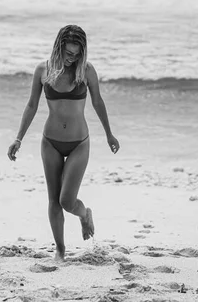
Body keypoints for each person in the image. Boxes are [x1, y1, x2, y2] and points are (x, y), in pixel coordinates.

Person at [7, 24, 120, 262]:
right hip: (51, 143)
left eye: (77, 53)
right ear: (59, 47)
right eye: (69, 53)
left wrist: (109, 134)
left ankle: (84, 214)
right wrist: (18, 139)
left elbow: (98, 102)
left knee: (67, 201)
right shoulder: (43, 70)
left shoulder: (86, 71)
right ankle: (60, 250)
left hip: (79, 142)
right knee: (53, 200)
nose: (73, 58)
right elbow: (31, 105)